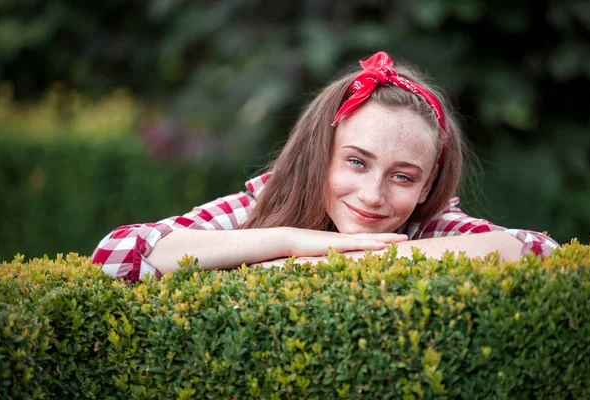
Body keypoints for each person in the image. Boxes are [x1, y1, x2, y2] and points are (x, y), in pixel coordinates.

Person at [92, 52, 559, 284]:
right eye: (356, 162)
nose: (373, 195)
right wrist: (292, 240)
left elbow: (543, 255)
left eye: (403, 176)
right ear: (321, 156)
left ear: (426, 186)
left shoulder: (431, 225)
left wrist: (365, 254)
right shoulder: (268, 204)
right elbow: (116, 256)